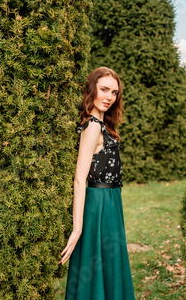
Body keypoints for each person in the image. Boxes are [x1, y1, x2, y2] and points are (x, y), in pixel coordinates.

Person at [60, 67, 135, 299]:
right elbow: (80, 179)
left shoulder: (103, 125)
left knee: (108, 267)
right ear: (92, 89)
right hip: (98, 206)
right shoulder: (92, 126)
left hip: (111, 204)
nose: (109, 97)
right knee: (97, 267)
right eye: (104, 89)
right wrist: (77, 228)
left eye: (114, 92)